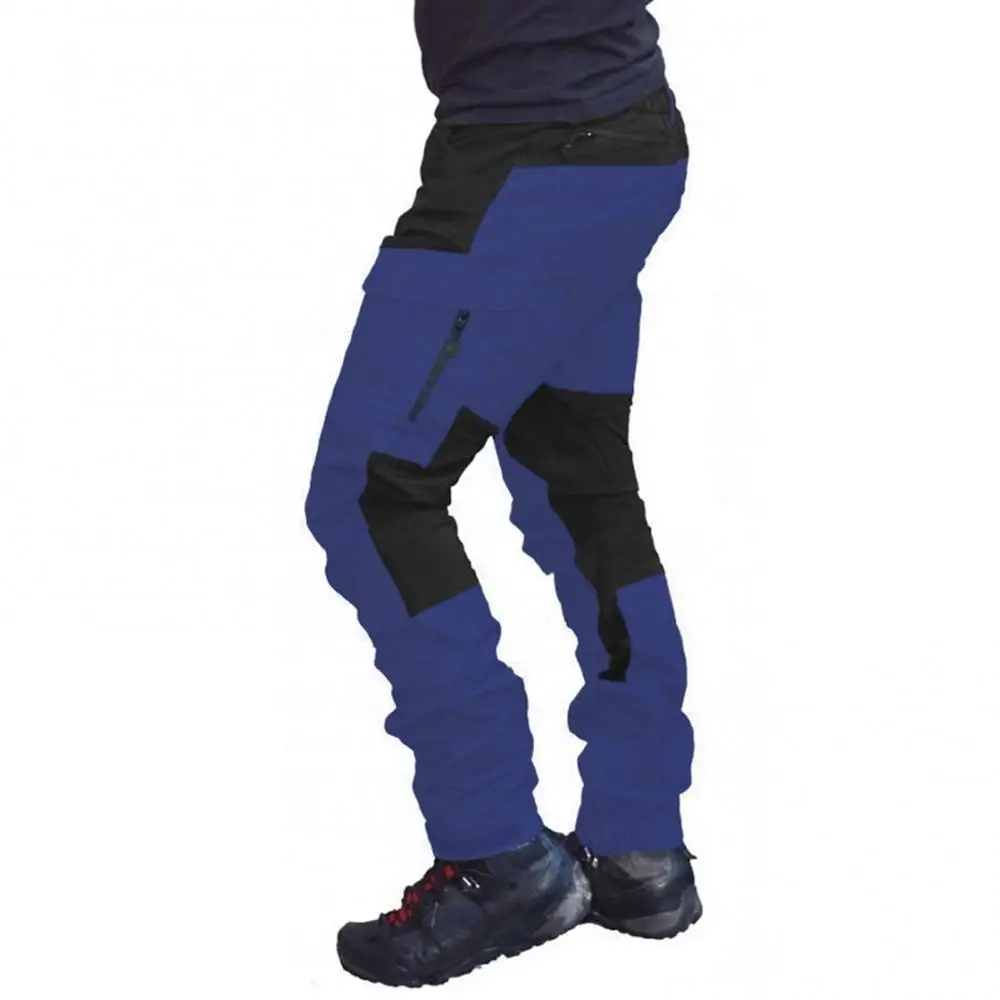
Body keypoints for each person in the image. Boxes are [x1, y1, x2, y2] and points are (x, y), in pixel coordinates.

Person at [305, 1, 699, 986]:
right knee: (580, 487)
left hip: (537, 149)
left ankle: (499, 856)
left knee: (374, 491)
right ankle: (639, 842)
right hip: (611, 136)